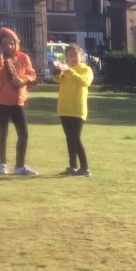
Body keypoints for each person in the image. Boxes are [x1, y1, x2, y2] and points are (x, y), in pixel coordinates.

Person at [0, 27, 39, 176]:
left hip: (18, 100)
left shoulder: (23, 57)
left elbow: (32, 74)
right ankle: (2, 164)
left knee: (23, 133)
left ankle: (20, 165)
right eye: (5, 44)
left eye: (12, 43)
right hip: (0, 100)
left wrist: (23, 80)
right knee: (2, 133)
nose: (9, 47)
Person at [52, 43, 95, 176]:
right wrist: (57, 70)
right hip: (64, 108)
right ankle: (73, 166)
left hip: (77, 109)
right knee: (69, 138)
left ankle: (85, 168)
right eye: (70, 56)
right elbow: (57, 80)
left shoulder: (86, 69)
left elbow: (84, 82)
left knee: (76, 138)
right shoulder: (66, 69)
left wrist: (69, 71)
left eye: (75, 55)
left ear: (81, 56)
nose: (73, 58)